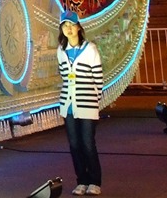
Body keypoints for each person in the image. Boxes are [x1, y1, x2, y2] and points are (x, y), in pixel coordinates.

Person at [57, 10, 103, 195]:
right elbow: (64, 76)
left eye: (71, 24)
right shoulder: (61, 51)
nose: (68, 28)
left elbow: (98, 79)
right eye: (64, 25)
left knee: (87, 143)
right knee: (74, 145)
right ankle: (81, 181)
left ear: (78, 27)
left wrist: (94, 100)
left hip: (87, 104)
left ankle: (95, 181)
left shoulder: (90, 49)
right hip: (68, 105)